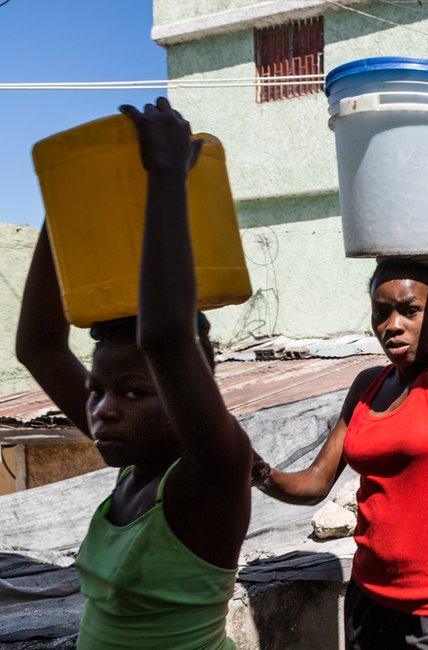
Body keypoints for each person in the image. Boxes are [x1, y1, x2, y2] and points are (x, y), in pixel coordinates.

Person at [250, 62, 428, 649]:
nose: (391, 324)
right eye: (382, 310)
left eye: (408, 310)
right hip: (369, 603)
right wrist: (255, 471)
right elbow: (313, 484)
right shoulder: (365, 386)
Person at [15, 98, 253, 648]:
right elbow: (39, 348)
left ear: (186, 388)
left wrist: (167, 172)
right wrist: (69, 201)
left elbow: (166, 339)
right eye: (97, 390)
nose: (101, 408)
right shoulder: (134, 462)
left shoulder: (212, 472)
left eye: (132, 391)